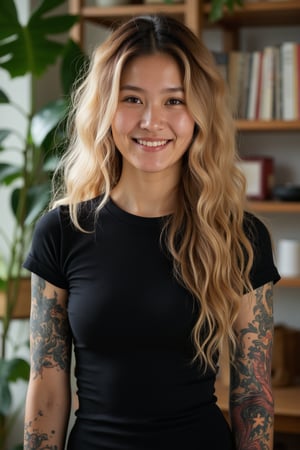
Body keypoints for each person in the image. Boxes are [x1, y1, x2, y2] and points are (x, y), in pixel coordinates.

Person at [23, 15, 280, 450]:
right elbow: (46, 389)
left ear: (199, 111)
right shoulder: (61, 232)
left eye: (174, 101)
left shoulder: (238, 236)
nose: (151, 121)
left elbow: (253, 396)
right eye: (132, 99)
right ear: (106, 107)